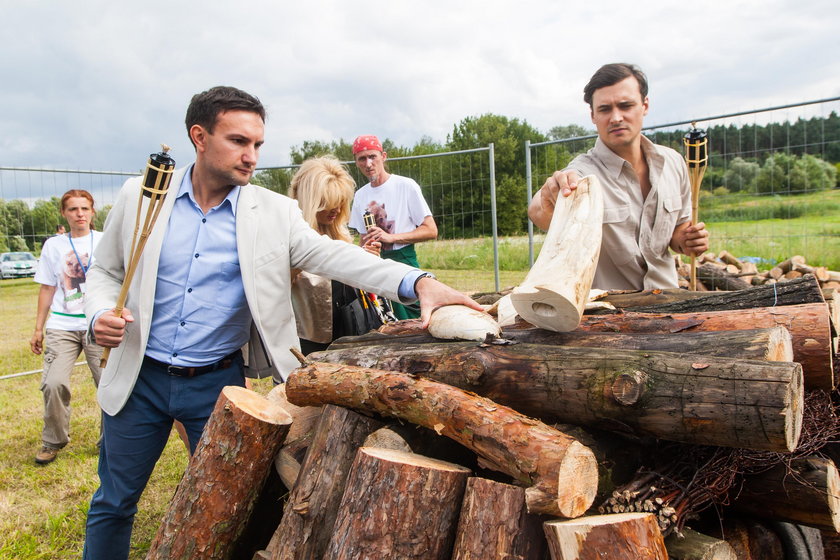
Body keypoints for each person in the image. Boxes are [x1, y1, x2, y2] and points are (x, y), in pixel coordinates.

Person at [81, 86, 480, 559]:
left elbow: (339, 257)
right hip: (138, 377)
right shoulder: (142, 194)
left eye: (258, 145)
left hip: (218, 387)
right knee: (114, 503)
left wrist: (418, 282)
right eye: (238, 141)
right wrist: (98, 316)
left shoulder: (273, 212)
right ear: (199, 137)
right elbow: (105, 272)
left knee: (228, 504)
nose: (251, 156)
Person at [528, 63, 709, 290]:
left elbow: (677, 232)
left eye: (625, 106)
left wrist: (686, 241)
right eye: (605, 109)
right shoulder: (583, 175)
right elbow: (538, 211)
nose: (616, 117)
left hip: (670, 305)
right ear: (593, 115)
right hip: (611, 314)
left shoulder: (674, 163)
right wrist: (550, 195)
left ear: (644, 106)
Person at [30, 190, 103, 465]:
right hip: (62, 325)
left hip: (97, 324)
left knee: (107, 385)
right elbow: (47, 287)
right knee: (53, 382)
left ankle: (110, 440)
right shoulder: (53, 246)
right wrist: (38, 328)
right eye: (73, 209)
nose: (79, 214)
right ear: (64, 213)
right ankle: (53, 440)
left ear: (93, 211)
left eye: (84, 208)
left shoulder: (105, 241)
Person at [289, 156, 385, 354]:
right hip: (310, 336)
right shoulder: (289, 235)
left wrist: (363, 257)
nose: (338, 210)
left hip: (348, 326)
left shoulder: (337, 229)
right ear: (311, 201)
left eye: (341, 202)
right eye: (329, 203)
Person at [349, 134, 438, 319]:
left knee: (416, 318)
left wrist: (391, 238)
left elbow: (431, 229)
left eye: (372, 156)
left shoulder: (405, 186)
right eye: (362, 159)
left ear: (384, 156)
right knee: (383, 321)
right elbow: (363, 238)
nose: (368, 163)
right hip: (374, 265)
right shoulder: (360, 196)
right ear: (356, 162)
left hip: (403, 259)